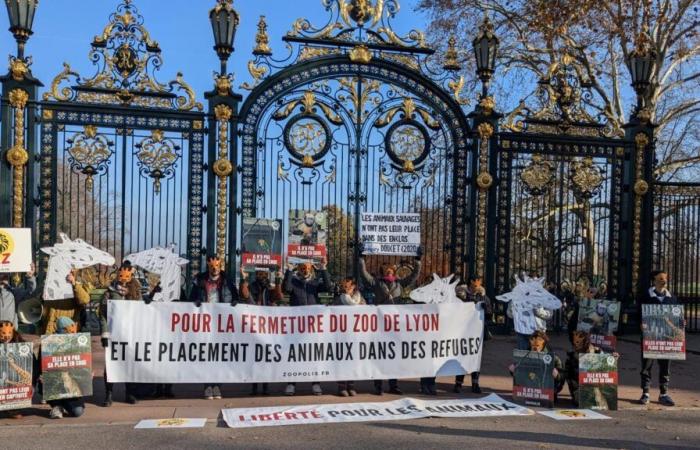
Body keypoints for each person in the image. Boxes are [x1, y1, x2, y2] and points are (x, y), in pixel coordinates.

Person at [359, 246, 422, 395]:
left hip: (396, 325)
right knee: (380, 355)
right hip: (381, 325)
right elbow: (363, 273)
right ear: (383, 271)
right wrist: (361, 258)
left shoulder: (400, 284)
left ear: (394, 272)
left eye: (391, 270)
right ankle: (378, 385)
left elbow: (414, 276)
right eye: (387, 270)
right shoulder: (376, 283)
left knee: (394, 355)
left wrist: (418, 261)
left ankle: (393, 385)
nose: (389, 272)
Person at [190, 255, 239, 400]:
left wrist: (235, 302)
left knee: (220, 354)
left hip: (222, 322)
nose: (214, 268)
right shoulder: (199, 280)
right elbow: (190, 297)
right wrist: (196, 300)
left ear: (220, 266)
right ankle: (207, 386)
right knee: (206, 354)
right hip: (205, 322)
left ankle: (217, 385)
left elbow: (235, 296)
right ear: (208, 266)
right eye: (212, 266)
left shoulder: (227, 281)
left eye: (217, 266)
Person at [282, 258, 332, 396]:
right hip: (296, 326)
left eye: (308, 268)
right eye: (302, 268)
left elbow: (328, 288)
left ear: (311, 269)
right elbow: (286, 289)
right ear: (299, 269)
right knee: (294, 355)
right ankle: (291, 384)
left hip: (313, 326)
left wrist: (323, 269)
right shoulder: (293, 281)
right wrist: (288, 271)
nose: (305, 270)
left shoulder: (315, 283)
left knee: (313, 354)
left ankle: (315, 383)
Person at [100, 262, 143, 406]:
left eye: (126, 275)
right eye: (121, 275)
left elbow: (142, 310)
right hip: (114, 333)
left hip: (130, 333)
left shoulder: (136, 292)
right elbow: (103, 314)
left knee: (130, 363)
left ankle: (129, 393)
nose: (123, 278)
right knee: (111, 364)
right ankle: (109, 394)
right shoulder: (109, 292)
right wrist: (105, 334)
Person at [639, 270, 682, 407]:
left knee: (665, 366)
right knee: (647, 365)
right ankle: (645, 393)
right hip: (650, 336)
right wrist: (640, 324)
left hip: (666, 339)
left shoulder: (672, 298)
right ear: (654, 280)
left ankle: (664, 393)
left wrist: (682, 323)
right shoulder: (645, 296)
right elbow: (637, 315)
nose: (664, 281)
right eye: (660, 279)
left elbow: (677, 318)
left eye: (665, 279)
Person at [239, 267, 283, 396]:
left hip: (268, 328)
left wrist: (278, 279)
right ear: (256, 274)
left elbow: (278, 296)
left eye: (264, 274)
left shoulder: (270, 288)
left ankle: (265, 386)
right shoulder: (252, 287)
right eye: (259, 274)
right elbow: (245, 294)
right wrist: (243, 278)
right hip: (254, 327)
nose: (262, 276)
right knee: (254, 357)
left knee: (266, 358)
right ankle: (254, 386)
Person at [454, 276, 492, 394]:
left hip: (477, 333)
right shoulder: (461, 294)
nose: (477, 287)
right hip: (464, 332)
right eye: (475, 285)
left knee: (476, 359)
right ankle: (458, 384)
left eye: (479, 285)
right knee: (462, 358)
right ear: (470, 284)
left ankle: (475, 383)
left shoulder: (484, 297)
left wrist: (487, 309)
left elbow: (490, 316)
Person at [47, 317, 86, 419]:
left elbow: (83, 364)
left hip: (71, 384)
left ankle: (66, 405)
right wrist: (41, 376)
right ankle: (56, 405)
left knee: (77, 412)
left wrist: (88, 374)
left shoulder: (79, 343)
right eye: (66, 331)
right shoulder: (49, 343)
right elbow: (41, 365)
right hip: (56, 382)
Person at [509, 330, 565, 399]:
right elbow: (519, 377)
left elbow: (562, 380)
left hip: (546, 393)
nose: (535, 348)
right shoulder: (524, 356)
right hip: (528, 392)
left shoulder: (554, 359)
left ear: (544, 344)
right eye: (533, 345)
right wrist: (513, 370)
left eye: (538, 345)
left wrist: (557, 375)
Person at [333, 277, 366, 397]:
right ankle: (342, 386)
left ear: (353, 286)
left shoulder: (360, 299)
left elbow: (366, 313)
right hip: (343, 335)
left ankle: (351, 385)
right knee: (343, 360)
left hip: (356, 335)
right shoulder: (338, 300)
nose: (345, 288)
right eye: (344, 286)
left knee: (353, 360)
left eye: (347, 286)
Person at [41, 269, 91, 335]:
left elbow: (85, 300)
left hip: (67, 330)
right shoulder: (51, 284)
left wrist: (74, 283)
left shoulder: (78, 284)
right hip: (49, 330)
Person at [565, 330, 601, 407]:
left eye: (578, 342)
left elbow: (608, 363)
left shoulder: (596, 351)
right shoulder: (571, 355)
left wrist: (614, 357)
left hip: (594, 384)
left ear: (585, 342)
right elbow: (567, 374)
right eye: (574, 341)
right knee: (579, 402)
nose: (575, 344)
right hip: (578, 384)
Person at [0, 263, 37, 327]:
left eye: (5, 273)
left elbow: (31, 291)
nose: (3, 275)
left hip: (10, 332)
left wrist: (30, 277)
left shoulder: (14, 292)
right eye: (1, 273)